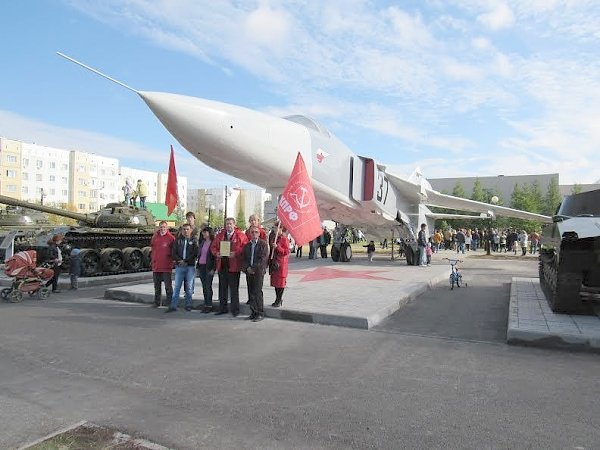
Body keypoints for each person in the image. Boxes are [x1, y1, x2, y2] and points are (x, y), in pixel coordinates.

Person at [210, 217, 248, 317]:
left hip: (234, 266)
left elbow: (245, 247)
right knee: (222, 289)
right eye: (227, 224)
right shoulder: (220, 235)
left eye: (230, 224)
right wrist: (216, 253)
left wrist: (236, 253)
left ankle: (235, 310)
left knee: (234, 289)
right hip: (222, 265)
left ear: (234, 225)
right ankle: (223, 308)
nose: (228, 226)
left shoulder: (241, 235)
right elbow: (213, 247)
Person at [165, 223, 199, 313]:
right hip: (179, 266)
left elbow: (195, 253)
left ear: (191, 230)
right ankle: (173, 306)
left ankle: (188, 305)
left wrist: (186, 261)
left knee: (189, 288)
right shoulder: (177, 240)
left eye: (187, 229)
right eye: (184, 229)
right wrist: (179, 261)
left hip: (190, 266)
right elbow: (174, 252)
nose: (185, 231)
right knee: (177, 287)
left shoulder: (194, 240)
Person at [241, 225, 269, 321]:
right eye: (252, 232)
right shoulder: (247, 245)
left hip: (258, 272)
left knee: (257, 292)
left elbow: (263, 259)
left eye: (256, 232)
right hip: (249, 272)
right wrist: (247, 268)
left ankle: (260, 313)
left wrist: (253, 268)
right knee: (251, 292)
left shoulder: (263, 244)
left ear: (259, 233)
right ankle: (253, 312)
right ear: (249, 233)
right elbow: (244, 259)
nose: (254, 234)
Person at [151, 221, 175, 307]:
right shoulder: (155, 237)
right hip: (156, 265)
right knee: (157, 286)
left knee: (168, 287)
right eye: (161, 227)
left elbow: (174, 251)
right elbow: (153, 248)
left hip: (166, 266)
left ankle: (170, 303)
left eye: (164, 227)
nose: (162, 229)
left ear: (167, 228)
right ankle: (157, 303)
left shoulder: (171, 238)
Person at [196, 226, 215, 313]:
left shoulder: (213, 243)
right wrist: (198, 267)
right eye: (203, 232)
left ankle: (209, 305)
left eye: (205, 232)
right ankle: (206, 304)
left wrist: (213, 269)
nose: (203, 234)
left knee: (208, 286)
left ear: (209, 233)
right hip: (201, 266)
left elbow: (214, 257)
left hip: (209, 267)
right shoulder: (202, 242)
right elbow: (199, 255)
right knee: (204, 286)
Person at [270, 227, 291, 308]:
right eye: (274, 229)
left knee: (280, 283)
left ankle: (279, 299)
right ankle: (277, 298)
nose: (275, 230)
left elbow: (286, 251)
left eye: (277, 229)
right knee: (276, 283)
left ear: (281, 229)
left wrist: (277, 247)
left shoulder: (284, 239)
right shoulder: (274, 238)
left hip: (281, 264)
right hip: (275, 263)